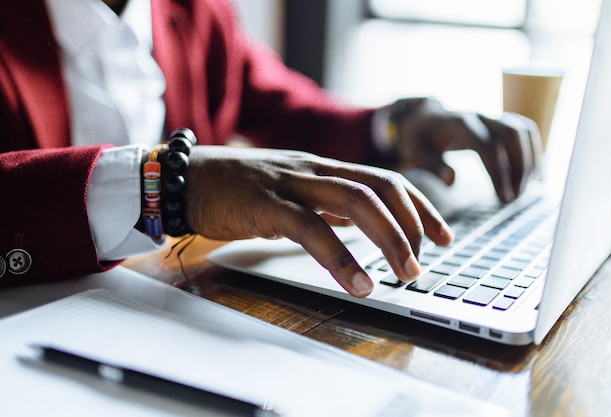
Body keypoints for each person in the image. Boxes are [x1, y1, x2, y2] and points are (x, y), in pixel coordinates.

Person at [0, 0, 541, 297]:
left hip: (162, 304)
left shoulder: (196, 11)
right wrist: (165, 188)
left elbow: (285, 107)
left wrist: (397, 125)